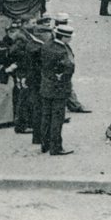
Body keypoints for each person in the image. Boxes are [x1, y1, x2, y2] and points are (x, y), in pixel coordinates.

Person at [39, 24, 76, 155]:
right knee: (57, 119)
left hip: (46, 86)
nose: (70, 39)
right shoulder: (62, 51)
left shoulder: (47, 45)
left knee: (46, 116)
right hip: (59, 89)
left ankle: (45, 144)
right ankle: (56, 147)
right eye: (69, 37)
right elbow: (70, 67)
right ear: (64, 37)